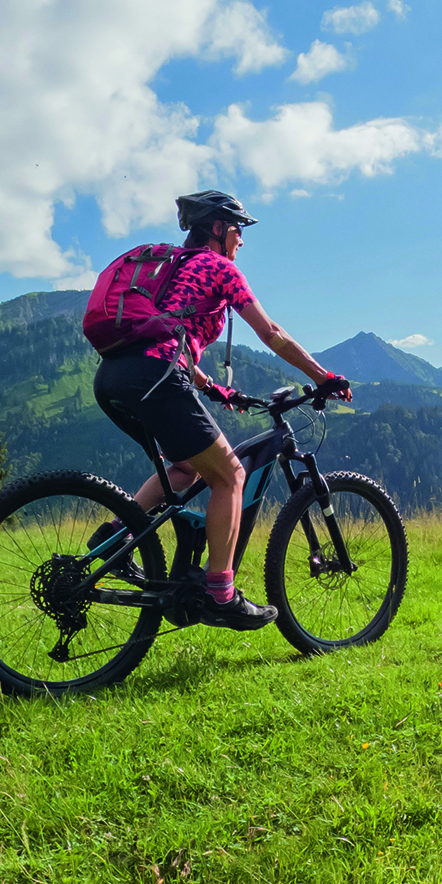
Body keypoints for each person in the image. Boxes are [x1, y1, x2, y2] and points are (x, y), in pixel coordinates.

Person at [91, 190, 349, 629]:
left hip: (116, 375)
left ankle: (115, 537)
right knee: (231, 475)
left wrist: (212, 387)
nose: (241, 242)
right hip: (156, 374)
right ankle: (220, 594)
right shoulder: (219, 267)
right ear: (217, 229)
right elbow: (271, 332)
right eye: (238, 231)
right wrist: (323, 375)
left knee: (185, 468)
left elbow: (168, 334)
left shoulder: (174, 270)